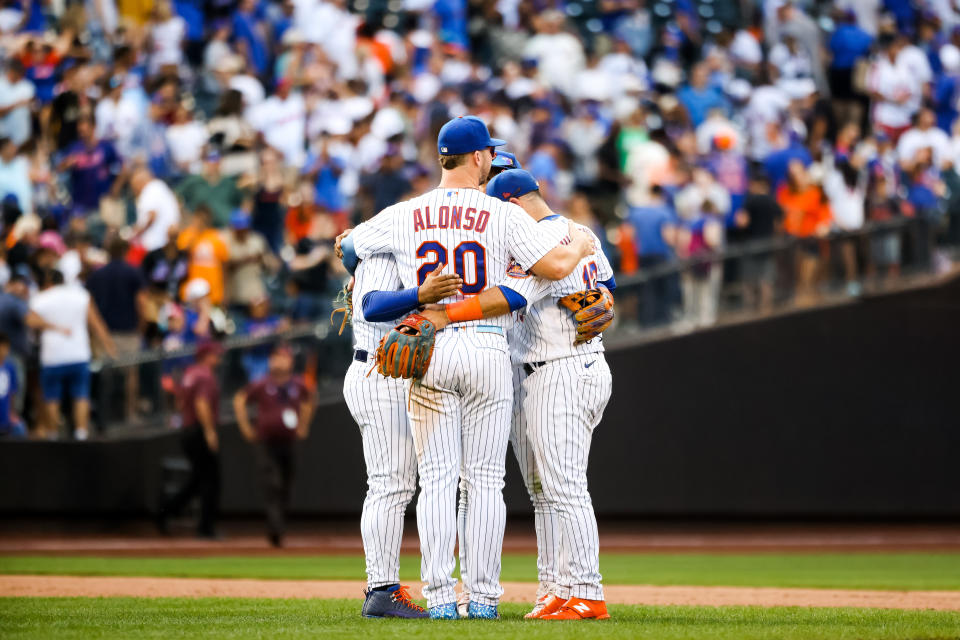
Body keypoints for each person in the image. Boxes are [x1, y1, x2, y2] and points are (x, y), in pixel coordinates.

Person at [338, 116, 594, 619]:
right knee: (483, 480)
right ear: (478, 158)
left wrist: (359, 259)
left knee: (436, 479)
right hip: (485, 345)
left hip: (429, 345)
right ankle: (482, 599)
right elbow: (557, 268)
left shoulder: (405, 212)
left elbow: (349, 247)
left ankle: (439, 600)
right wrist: (582, 244)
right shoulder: (500, 214)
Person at [421, 169, 617, 620]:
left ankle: (588, 591)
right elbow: (606, 283)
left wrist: (444, 315)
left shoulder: (542, 241)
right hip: (571, 365)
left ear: (510, 203)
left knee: (565, 488)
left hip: (559, 368)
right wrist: (606, 297)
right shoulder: (580, 231)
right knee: (545, 489)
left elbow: (509, 296)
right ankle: (557, 587)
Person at [233, 344, 315, 547]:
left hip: (288, 442)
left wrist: (304, 424)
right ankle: (275, 529)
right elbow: (240, 399)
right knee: (272, 483)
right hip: (266, 442)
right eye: (276, 357)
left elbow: (310, 397)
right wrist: (245, 427)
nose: (279, 362)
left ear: (291, 362)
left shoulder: (297, 384)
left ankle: (278, 526)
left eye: (283, 357)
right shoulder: (262, 384)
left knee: (286, 485)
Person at [30, 269, 116, 440]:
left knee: (52, 396)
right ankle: (81, 433)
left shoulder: (41, 298)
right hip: (79, 354)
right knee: (81, 395)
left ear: (48, 282)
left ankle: (53, 434)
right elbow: (96, 322)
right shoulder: (80, 295)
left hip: (53, 356)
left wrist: (52, 327)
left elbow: (30, 320)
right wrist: (109, 346)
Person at [157, 340, 223, 538]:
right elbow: (202, 403)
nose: (218, 358)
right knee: (212, 479)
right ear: (205, 356)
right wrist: (210, 431)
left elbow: (179, 402)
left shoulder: (189, 373)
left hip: (187, 428)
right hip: (198, 430)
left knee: (199, 479)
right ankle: (206, 527)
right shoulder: (205, 376)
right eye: (215, 354)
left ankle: (167, 512)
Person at [86, 236, 146, 420]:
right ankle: (130, 414)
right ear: (125, 251)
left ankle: (106, 416)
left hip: (104, 332)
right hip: (128, 330)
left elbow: (90, 305)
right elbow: (141, 302)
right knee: (130, 375)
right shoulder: (133, 272)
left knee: (106, 377)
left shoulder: (97, 274)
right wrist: (141, 326)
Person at [178, 206, 230, 306]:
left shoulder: (216, 238)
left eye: (204, 218)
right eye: (199, 218)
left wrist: (225, 292)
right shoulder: (187, 235)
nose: (201, 221)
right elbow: (181, 255)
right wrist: (195, 232)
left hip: (213, 293)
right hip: (191, 292)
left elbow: (225, 266)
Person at [130, 167, 182, 255]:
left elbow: (152, 216)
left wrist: (135, 232)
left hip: (155, 245)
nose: (135, 191)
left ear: (140, 182)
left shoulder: (149, 189)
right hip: (168, 242)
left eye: (135, 186)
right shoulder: (160, 186)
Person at [0, 333, 25, 438]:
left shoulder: (10, 367)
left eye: (5, 348)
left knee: (20, 428)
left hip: (5, 415)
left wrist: (12, 412)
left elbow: (13, 392)